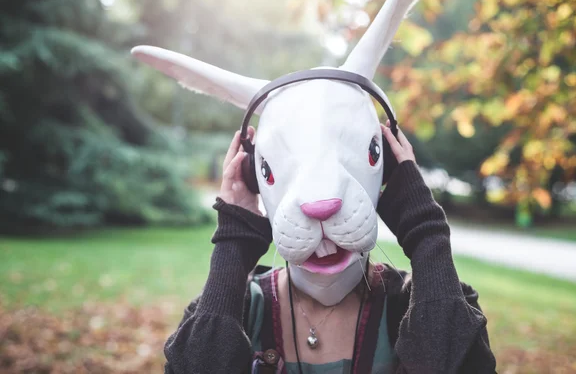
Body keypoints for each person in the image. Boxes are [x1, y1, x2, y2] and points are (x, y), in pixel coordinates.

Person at [162, 123, 497, 374]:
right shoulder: (234, 311)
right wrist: (232, 248)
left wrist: (425, 229)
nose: (320, 205)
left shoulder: (436, 304)